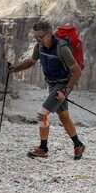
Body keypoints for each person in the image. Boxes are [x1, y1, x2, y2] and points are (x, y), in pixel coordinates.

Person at [8, 21, 85, 160]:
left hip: (62, 84)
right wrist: (14, 69)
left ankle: (43, 149)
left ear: (49, 35)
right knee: (64, 117)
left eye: (40, 37)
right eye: (35, 38)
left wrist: (65, 91)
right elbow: (31, 61)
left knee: (41, 115)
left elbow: (77, 71)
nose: (37, 41)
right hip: (52, 84)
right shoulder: (40, 46)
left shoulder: (62, 49)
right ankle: (78, 144)